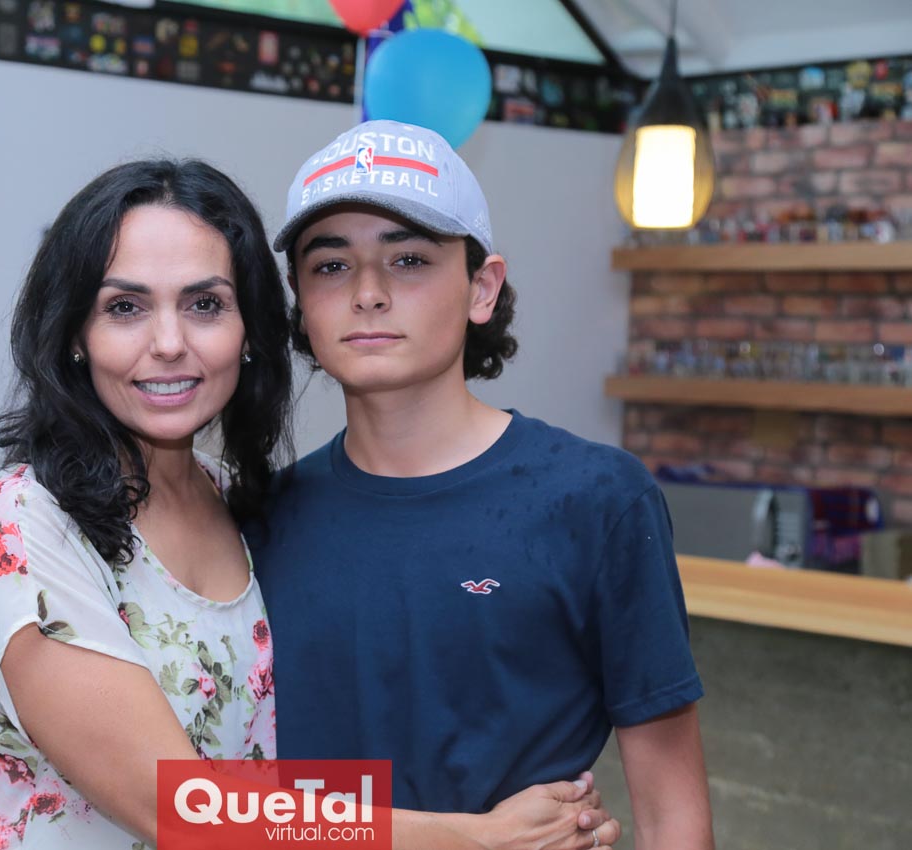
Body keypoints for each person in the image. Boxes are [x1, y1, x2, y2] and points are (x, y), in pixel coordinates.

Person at [0, 158, 621, 850]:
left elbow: (297, 776)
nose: (169, 344)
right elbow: (178, 809)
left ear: (250, 331)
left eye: (204, 305)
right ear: (75, 333)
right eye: (125, 307)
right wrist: (475, 839)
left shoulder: (240, 502)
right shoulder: (21, 526)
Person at [250, 119, 715, 850]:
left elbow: (671, 814)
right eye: (331, 265)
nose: (367, 293)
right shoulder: (260, 517)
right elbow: (223, 802)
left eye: (408, 259)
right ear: (300, 304)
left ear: (481, 288)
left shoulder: (596, 500)